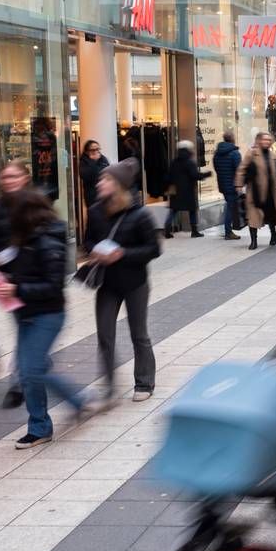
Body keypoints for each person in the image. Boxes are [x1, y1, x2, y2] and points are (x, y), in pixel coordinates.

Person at [0, 190, 99, 448]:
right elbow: (23, 272)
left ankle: (41, 426)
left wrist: (16, 288)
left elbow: (52, 286)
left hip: (47, 315)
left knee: (30, 370)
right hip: (25, 312)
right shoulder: (22, 239)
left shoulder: (48, 242)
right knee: (32, 369)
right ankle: (75, 403)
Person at [84, 158, 161, 404]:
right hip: (107, 283)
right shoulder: (95, 211)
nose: (99, 183)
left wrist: (122, 254)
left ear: (118, 185)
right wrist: (94, 251)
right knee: (105, 335)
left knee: (139, 334)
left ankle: (144, 382)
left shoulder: (139, 215)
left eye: (105, 179)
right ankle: (108, 385)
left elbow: (153, 248)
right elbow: (87, 241)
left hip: (134, 282)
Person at [0, 160, 32, 410]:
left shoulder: (35, 204)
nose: (9, 181)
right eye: (5, 177)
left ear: (25, 178)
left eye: (14, 176)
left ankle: (18, 383)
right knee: (24, 328)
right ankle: (25, 373)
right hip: (7, 281)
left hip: (33, 278)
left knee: (26, 330)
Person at [240, 131, 276, 249]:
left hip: (270, 191)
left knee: (270, 216)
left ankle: (273, 234)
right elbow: (242, 169)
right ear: (259, 141)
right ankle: (254, 241)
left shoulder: (272, 155)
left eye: (269, 140)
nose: (267, 142)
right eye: (264, 139)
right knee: (253, 217)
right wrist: (238, 185)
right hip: (255, 191)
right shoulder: (252, 153)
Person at [162, 140, 209, 238]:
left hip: (176, 191)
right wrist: (206, 174)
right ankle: (194, 231)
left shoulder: (174, 161)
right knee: (192, 210)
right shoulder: (189, 162)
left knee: (173, 211)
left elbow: (168, 176)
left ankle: (166, 230)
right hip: (188, 191)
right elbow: (195, 175)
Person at [212, 130, 244, 241]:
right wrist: (240, 184)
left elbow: (216, 168)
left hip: (223, 184)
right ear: (233, 139)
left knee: (228, 206)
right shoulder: (235, 153)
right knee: (230, 208)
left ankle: (226, 228)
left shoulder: (217, 153)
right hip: (232, 185)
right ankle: (227, 231)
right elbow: (239, 170)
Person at [77, 139, 110, 235]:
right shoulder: (84, 161)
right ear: (87, 151)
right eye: (93, 149)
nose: (96, 151)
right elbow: (86, 176)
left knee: (105, 218)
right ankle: (90, 241)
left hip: (104, 193)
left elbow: (107, 172)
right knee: (93, 218)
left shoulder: (103, 159)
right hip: (91, 195)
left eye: (97, 149)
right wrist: (94, 162)